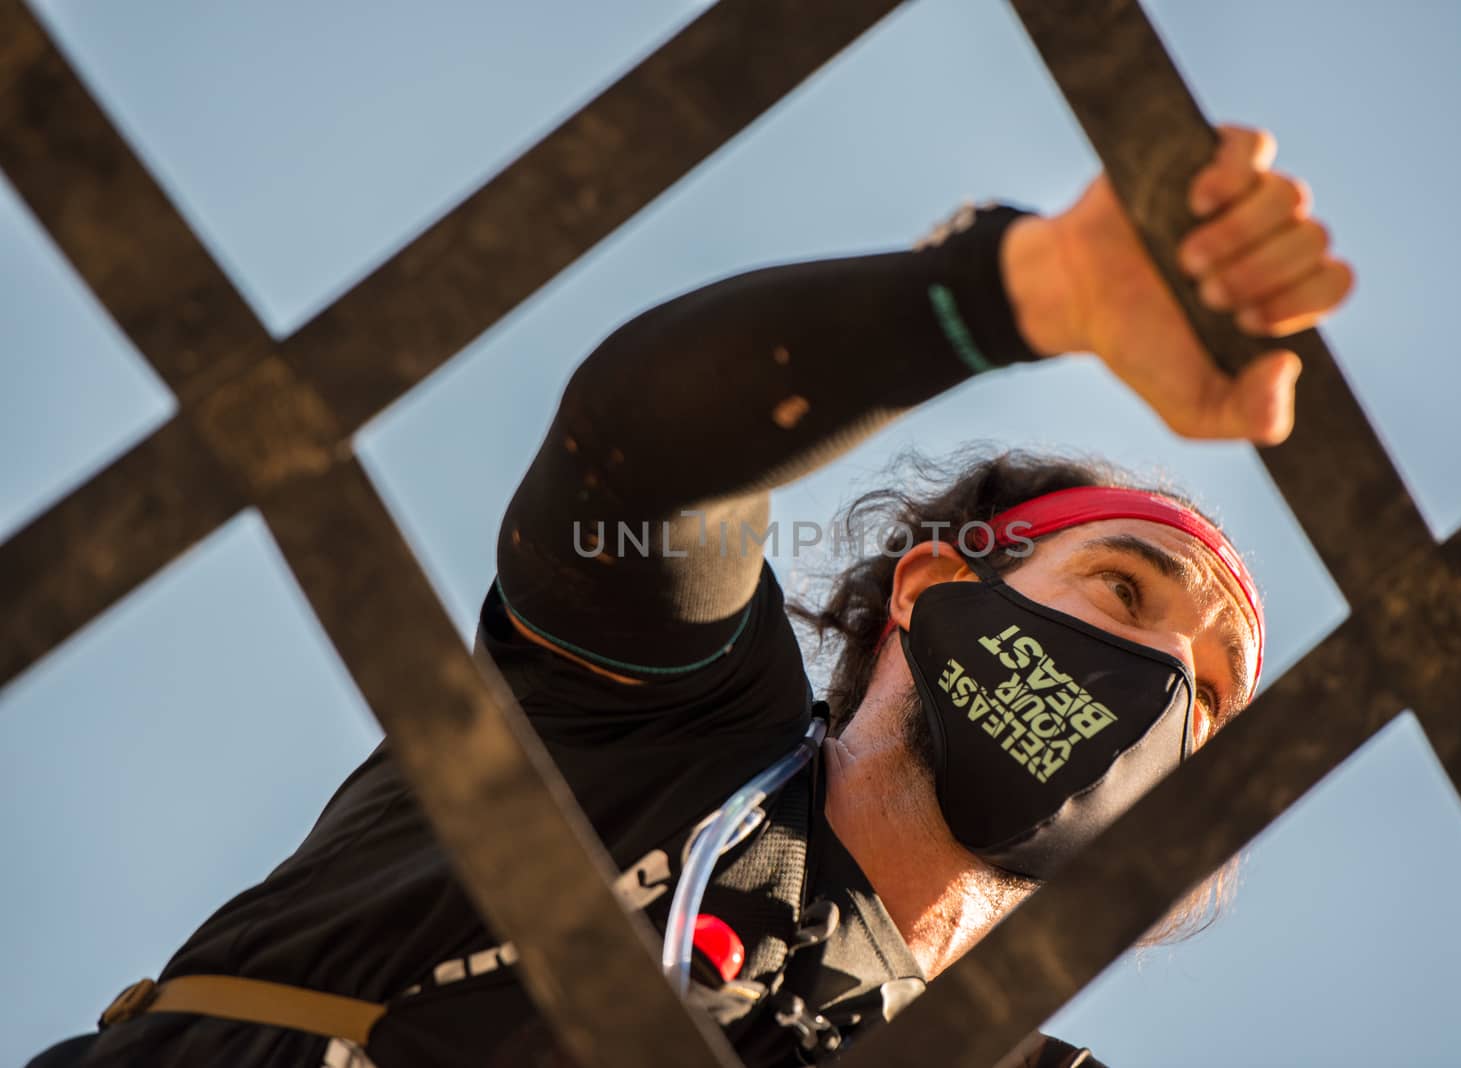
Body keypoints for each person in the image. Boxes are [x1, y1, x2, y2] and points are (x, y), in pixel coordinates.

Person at [50, 124, 1354, 1067]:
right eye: (1127, 590)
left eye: (1221, 695)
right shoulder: (663, 716)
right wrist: (1027, 293)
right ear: (936, 584)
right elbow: (639, 463)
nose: (1169, 679)